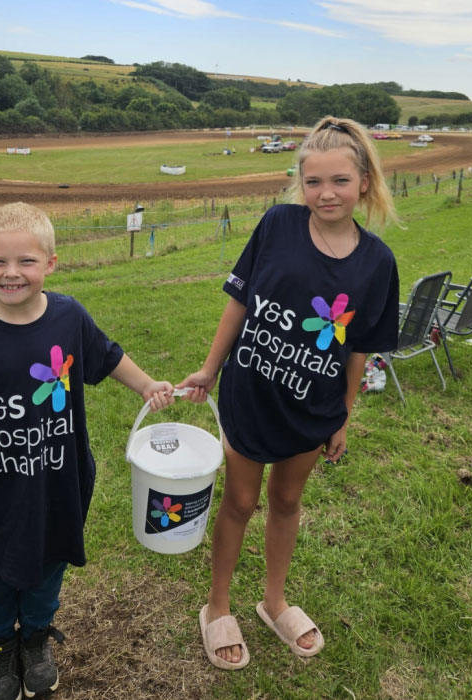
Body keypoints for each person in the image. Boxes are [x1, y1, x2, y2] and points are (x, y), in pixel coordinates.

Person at [0, 202, 174, 700]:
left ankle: (35, 639)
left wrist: (145, 386)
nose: (12, 274)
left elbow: (108, 355)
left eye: (26, 261)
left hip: (59, 482)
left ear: (50, 263)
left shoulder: (69, 318)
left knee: (47, 568)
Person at [178, 116, 399, 669]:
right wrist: (209, 369)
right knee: (241, 501)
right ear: (300, 182)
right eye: (314, 181)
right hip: (250, 395)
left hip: (312, 407)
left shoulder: (378, 263)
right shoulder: (277, 224)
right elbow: (239, 303)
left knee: (287, 501)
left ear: (365, 181)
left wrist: (342, 417)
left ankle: (274, 601)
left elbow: (357, 350)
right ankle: (217, 606)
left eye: (340, 181)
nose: (326, 194)